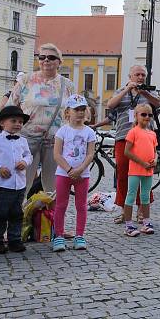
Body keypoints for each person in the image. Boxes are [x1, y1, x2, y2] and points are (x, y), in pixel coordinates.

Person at [5, 43, 76, 195]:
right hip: (26, 138)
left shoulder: (68, 85)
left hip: (55, 141)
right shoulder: (25, 80)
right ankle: (20, 216)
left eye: (51, 57)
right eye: (42, 57)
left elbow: (75, 113)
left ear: (59, 62)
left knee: (53, 187)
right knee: (23, 183)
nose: (46, 60)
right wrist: (8, 133)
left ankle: (50, 217)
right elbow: (11, 107)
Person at [106, 65, 160, 222]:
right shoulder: (120, 91)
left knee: (144, 174)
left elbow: (158, 104)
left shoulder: (150, 91)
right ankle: (125, 211)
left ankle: (141, 211)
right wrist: (126, 90)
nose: (140, 77)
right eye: (137, 74)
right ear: (130, 76)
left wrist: (144, 93)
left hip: (145, 138)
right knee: (123, 174)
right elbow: (110, 105)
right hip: (123, 137)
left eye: (143, 75)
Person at [0, 105, 33, 254]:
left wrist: (25, 162)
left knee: (17, 214)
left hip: (19, 185)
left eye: (20, 122)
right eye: (14, 120)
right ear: (3, 123)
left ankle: (14, 240)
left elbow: (29, 156)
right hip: (1, 186)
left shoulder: (23, 141)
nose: (18, 124)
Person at [52, 95, 96, 252]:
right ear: (68, 112)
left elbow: (90, 154)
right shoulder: (62, 131)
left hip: (82, 175)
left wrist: (81, 169)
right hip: (64, 174)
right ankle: (58, 235)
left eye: (82, 109)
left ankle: (79, 235)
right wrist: (69, 170)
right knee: (61, 204)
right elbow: (57, 154)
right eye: (76, 109)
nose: (80, 113)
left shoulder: (89, 132)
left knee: (81, 205)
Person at [122, 104, 158, 237]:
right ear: (136, 116)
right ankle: (128, 225)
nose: (147, 117)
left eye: (149, 115)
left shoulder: (152, 133)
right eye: (143, 114)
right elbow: (127, 151)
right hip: (136, 170)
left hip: (148, 170)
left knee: (145, 195)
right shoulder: (133, 132)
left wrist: (155, 159)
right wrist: (142, 163)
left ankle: (146, 222)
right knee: (131, 195)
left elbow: (155, 152)